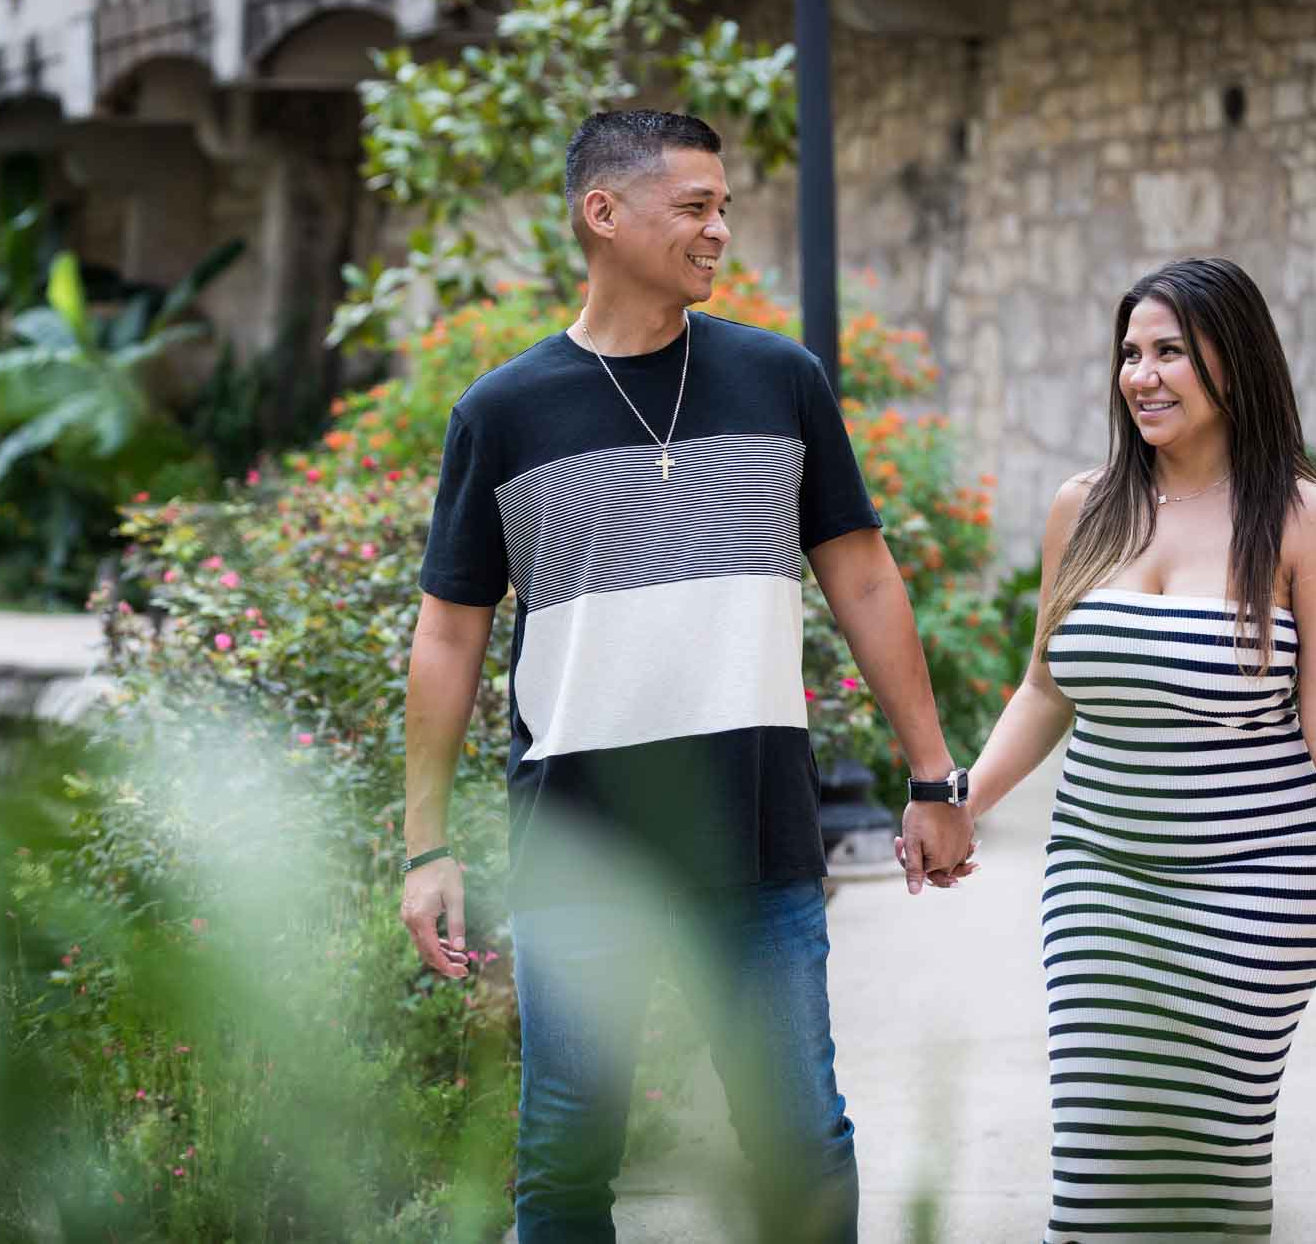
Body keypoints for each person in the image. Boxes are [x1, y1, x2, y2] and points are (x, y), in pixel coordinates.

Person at [398, 109, 974, 1243]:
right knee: (566, 1153)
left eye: (724, 207)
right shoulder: (502, 414)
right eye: (694, 208)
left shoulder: (778, 379)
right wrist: (424, 846)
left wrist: (931, 776)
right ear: (601, 214)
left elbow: (859, 575)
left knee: (798, 1139)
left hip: (754, 828)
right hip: (580, 843)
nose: (719, 232)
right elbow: (448, 633)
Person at [921, 257, 1316, 1241]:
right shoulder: (1083, 507)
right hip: (1096, 881)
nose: (1140, 374)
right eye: (1129, 353)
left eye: (1169, 351)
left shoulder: (1306, 522)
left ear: (1235, 362)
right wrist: (961, 798)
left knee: (1208, 1163)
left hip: (1254, 885)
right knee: (1097, 1167)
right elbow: (1043, 685)